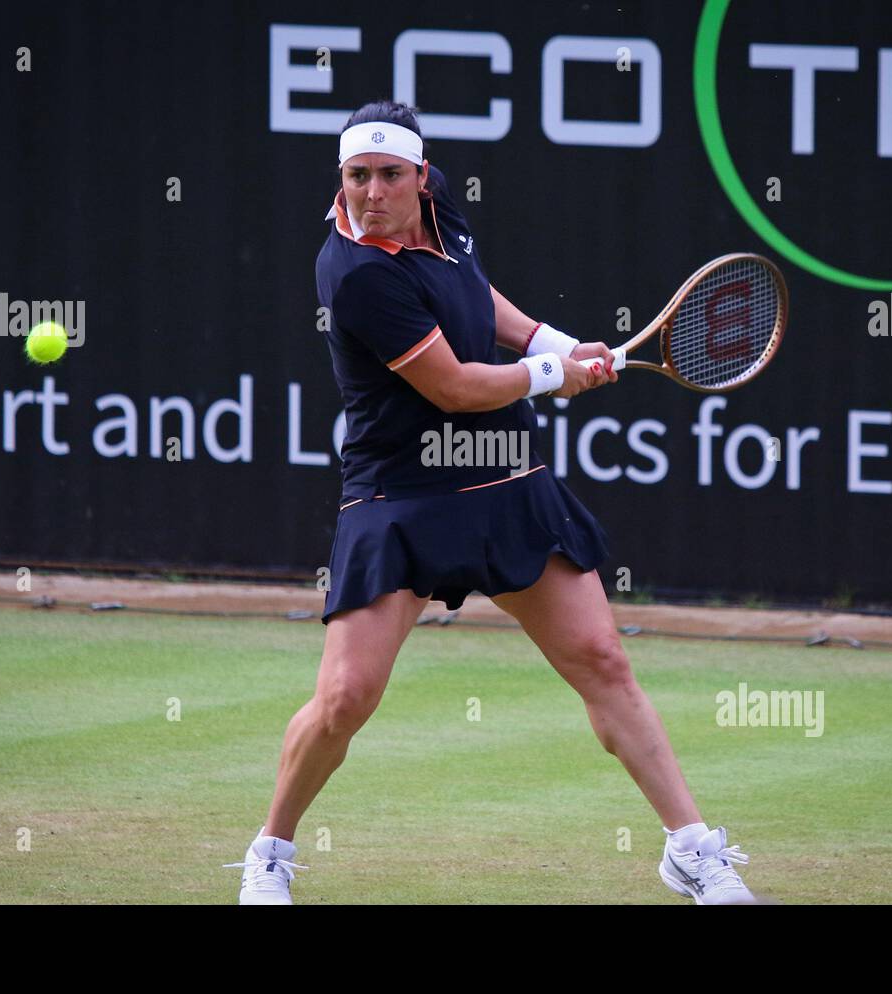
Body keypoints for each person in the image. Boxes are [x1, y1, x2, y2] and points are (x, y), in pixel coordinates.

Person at [229, 100, 754, 905]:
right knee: (343, 700)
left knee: (604, 663)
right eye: (356, 176)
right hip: (398, 494)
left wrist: (549, 344)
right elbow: (454, 387)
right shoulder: (354, 271)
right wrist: (557, 376)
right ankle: (271, 852)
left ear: (421, 174)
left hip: (505, 477)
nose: (373, 192)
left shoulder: (443, 209)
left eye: (390, 175)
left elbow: (478, 297)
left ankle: (693, 850)